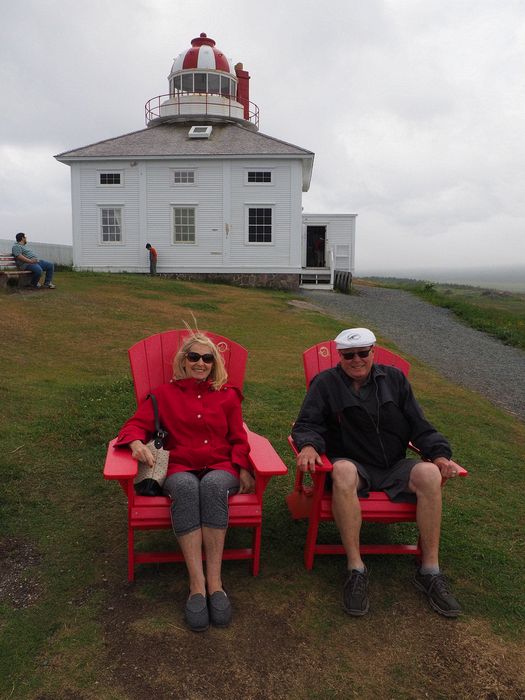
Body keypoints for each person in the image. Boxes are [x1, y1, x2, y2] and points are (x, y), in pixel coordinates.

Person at [292, 327, 462, 618]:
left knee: (431, 475)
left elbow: (419, 424)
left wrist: (440, 455)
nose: (356, 360)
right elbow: (307, 423)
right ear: (339, 356)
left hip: (394, 465)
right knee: (342, 471)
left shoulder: (395, 380)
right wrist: (308, 446)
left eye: (363, 353)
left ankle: (430, 570)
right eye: (349, 355)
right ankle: (356, 568)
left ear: (374, 351)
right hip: (354, 465)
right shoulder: (325, 384)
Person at [115, 332, 254, 631]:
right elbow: (134, 425)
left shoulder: (228, 395)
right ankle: (196, 585)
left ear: (214, 363)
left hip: (220, 466)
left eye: (207, 358)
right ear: (183, 361)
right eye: (194, 357)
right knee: (188, 488)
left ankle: (216, 583)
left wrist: (243, 467)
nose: (200, 363)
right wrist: (135, 443)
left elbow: (239, 439)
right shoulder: (164, 396)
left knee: (214, 486)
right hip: (179, 467)